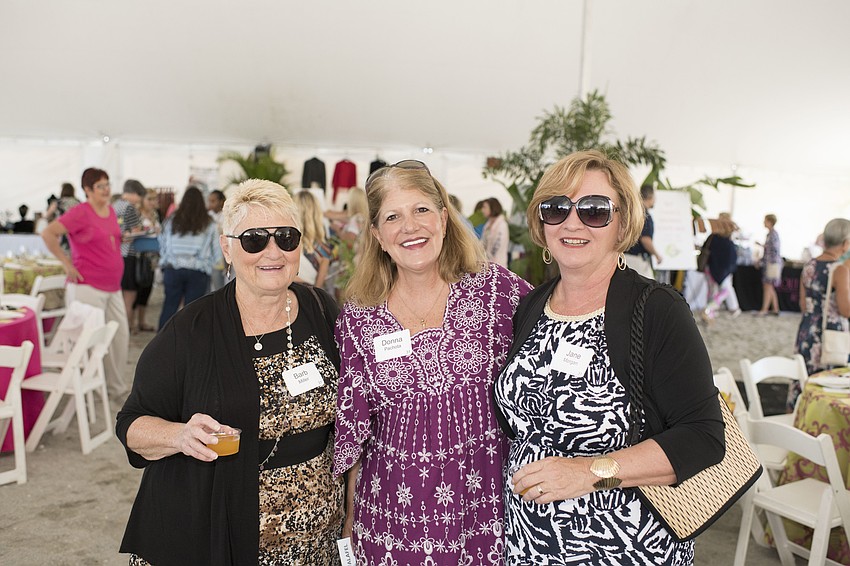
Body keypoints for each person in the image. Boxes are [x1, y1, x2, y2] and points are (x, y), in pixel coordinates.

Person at [493, 150, 724, 564]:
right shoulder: (532, 306)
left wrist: (587, 472)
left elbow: (703, 438)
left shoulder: (655, 309)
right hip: (529, 544)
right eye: (556, 208)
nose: (572, 222)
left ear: (622, 223)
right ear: (541, 221)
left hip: (624, 547)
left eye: (595, 210)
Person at [116, 180, 344, 565]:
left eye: (286, 238)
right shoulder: (190, 330)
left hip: (314, 540)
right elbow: (132, 424)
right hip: (217, 533)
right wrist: (181, 435)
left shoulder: (321, 309)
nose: (273, 252)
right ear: (227, 248)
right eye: (254, 240)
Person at [333, 159, 533, 564]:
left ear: (444, 216)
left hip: (485, 513)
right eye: (393, 216)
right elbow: (355, 431)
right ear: (376, 234)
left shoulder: (499, 293)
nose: (410, 227)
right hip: (390, 522)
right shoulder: (358, 316)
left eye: (421, 209)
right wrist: (351, 521)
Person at [41, 167, 130, 397]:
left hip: (113, 285)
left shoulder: (110, 211)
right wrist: (66, 263)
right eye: (100, 186)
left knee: (119, 336)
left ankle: (115, 387)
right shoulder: (80, 212)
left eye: (108, 184)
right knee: (90, 341)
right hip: (88, 285)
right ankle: (90, 389)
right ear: (87, 190)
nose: (106, 189)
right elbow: (48, 233)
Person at [156, 186, 220, 329]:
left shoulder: (171, 220)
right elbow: (216, 247)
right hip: (198, 270)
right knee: (194, 311)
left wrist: (165, 262)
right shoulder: (208, 222)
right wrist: (213, 264)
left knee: (169, 307)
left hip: (172, 269)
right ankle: (190, 345)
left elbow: (162, 243)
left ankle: (161, 343)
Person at [795, 218, 850, 374]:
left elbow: (803, 305)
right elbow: (846, 310)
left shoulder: (809, 265)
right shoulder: (839, 270)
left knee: (805, 379)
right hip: (831, 336)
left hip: (807, 330)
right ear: (845, 243)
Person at [114, 180, 148, 320]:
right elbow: (136, 230)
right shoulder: (129, 207)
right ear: (134, 194)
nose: (139, 200)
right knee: (129, 296)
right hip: (129, 253)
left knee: (120, 296)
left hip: (117, 253)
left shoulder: (114, 205)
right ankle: (126, 327)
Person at [131, 189, 161, 333]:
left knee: (147, 287)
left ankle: (142, 321)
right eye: (150, 199)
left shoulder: (155, 214)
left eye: (155, 199)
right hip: (139, 254)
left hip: (153, 254)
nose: (153, 202)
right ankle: (133, 322)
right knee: (137, 286)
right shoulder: (137, 214)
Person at [701, 215, 741, 321]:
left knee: (712, 290)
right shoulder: (728, 240)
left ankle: (710, 311)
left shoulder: (713, 237)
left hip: (711, 268)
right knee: (725, 290)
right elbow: (731, 258)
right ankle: (710, 308)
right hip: (723, 270)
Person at [294, 190, 333, 290]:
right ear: (316, 211)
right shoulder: (322, 247)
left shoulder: (285, 239)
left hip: (285, 292)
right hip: (307, 294)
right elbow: (318, 289)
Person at [624, 184, 662, 278]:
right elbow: (645, 240)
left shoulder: (633, 212)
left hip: (625, 257)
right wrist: (656, 255)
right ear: (650, 197)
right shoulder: (645, 216)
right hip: (636, 260)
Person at [758, 213, 782, 315]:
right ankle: (775, 309)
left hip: (772, 264)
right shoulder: (771, 234)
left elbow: (773, 250)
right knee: (770, 286)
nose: (764, 222)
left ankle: (765, 309)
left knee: (768, 286)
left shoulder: (773, 234)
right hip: (771, 264)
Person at [207, 189, 228, 291]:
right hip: (210, 255)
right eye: (209, 201)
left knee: (220, 285)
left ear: (221, 201)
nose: (210, 204)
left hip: (223, 254)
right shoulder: (208, 216)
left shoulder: (227, 215)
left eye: (213, 201)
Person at [481, 197, 510, 267]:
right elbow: (482, 244)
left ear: (493, 207)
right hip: (487, 264)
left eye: (485, 207)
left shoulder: (502, 225)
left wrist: (486, 258)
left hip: (498, 265)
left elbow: (497, 247)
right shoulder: (487, 225)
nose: (482, 210)